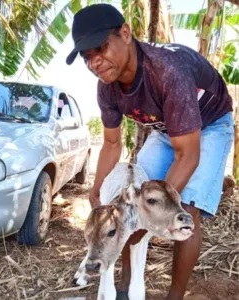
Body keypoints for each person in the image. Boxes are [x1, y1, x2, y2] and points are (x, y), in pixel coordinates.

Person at [65, 4, 234, 300]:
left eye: (100, 48)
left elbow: (188, 156)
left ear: (126, 34)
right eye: (87, 57)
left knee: (185, 211)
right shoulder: (107, 87)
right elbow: (112, 144)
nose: (95, 62)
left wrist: (148, 214)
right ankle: (127, 288)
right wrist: (96, 192)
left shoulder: (168, 71)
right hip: (165, 130)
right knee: (127, 204)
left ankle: (175, 296)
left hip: (208, 126)